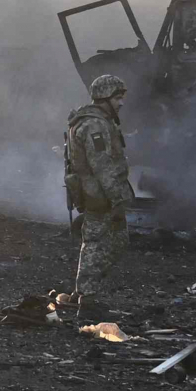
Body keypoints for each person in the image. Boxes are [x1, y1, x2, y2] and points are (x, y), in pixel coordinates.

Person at [61, 74, 133, 323]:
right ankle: (87, 301)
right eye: (117, 97)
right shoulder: (94, 125)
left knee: (114, 241)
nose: (121, 103)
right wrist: (117, 199)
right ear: (104, 98)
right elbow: (102, 165)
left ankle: (83, 292)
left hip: (97, 192)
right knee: (95, 244)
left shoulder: (95, 121)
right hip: (99, 195)